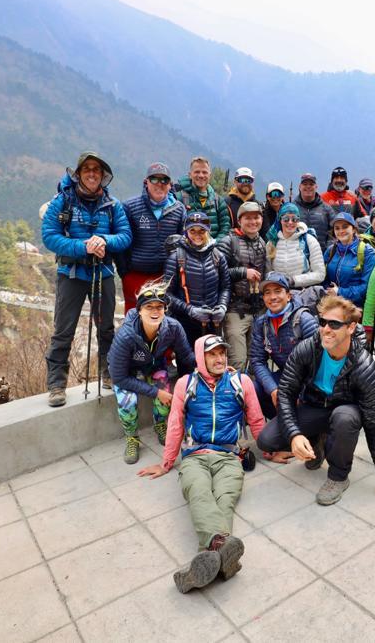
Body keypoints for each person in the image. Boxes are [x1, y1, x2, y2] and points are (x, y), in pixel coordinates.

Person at [137, 335, 265, 592]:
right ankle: (221, 554)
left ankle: (205, 559)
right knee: (198, 492)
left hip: (229, 456)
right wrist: (166, 463)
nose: (219, 359)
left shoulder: (242, 382)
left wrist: (271, 451)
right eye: (212, 354)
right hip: (195, 455)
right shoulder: (187, 384)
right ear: (200, 357)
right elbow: (175, 424)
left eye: (222, 353)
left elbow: (256, 419)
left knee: (225, 499)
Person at [256, 295, 375, 505]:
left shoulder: (363, 365)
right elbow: (286, 392)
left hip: (345, 410)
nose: (326, 329)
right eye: (323, 322)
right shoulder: (307, 348)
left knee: (344, 418)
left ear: (351, 328)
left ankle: (338, 477)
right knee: (267, 440)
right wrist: (295, 435)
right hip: (315, 406)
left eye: (334, 324)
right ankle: (316, 441)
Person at [42, 151, 131, 407]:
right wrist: (84, 246)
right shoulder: (62, 202)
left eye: (97, 170)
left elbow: (125, 236)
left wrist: (104, 240)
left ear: (103, 176)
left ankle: (108, 372)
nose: (92, 173)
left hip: (101, 273)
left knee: (106, 329)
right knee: (63, 330)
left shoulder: (113, 205)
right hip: (70, 274)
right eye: (87, 169)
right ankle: (57, 384)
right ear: (79, 174)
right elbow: (49, 236)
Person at [108, 281, 197, 462]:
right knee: (128, 401)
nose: (155, 311)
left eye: (159, 307)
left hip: (154, 365)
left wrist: (211, 366)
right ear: (140, 310)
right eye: (149, 307)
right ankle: (132, 437)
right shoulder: (126, 335)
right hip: (127, 372)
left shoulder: (172, 328)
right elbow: (118, 376)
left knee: (165, 391)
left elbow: (187, 356)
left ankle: (160, 425)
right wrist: (155, 392)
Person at [249, 272, 320, 424]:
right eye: (267, 293)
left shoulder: (304, 320)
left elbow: (317, 364)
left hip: (308, 380)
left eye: (278, 291)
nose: (272, 297)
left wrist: (299, 393)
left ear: (288, 296)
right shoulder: (262, 323)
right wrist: (272, 389)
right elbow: (257, 360)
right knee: (252, 389)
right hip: (284, 376)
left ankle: (309, 431)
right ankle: (281, 424)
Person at [119, 162, 187, 310]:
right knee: (134, 318)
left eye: (164, 180)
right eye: (154, 179)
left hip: (165, 277)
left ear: (170, 185)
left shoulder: (179, 210)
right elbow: (122, 242)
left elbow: (183, 244)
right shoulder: (130, 207)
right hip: (135, 275)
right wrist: (125, 273)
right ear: (146, 182)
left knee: (162, 319)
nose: (159, 184)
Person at [164, 212, 231, 347]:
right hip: (185, 323)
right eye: (192, 231)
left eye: (202, 231)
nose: (197, 235)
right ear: (186, 231)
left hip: (213, 321)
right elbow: (166, 294)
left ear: (208, 231)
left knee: (210, 362)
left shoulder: (218, 256)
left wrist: (222, 306)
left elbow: (226, 287)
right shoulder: (176, 257)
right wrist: (190, 310)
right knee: (188, 363)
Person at [220, 201, 268, 371]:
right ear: (239, 220)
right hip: (235, 309)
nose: (253, 222)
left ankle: (252, 395)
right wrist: (242, 272)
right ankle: (232, 395)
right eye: (248, 218)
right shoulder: (228, 242)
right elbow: (217, 272)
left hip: (258, 310)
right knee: (237, 361)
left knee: (256, 361)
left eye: (256, 217)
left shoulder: (261, 242)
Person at [324, 212, 375, 308]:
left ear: (354, 229)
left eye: (345, 227)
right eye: (337, 228)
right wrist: (327, 291)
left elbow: (368, 287)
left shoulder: (367, 253)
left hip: (356, 309)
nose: (341, 231)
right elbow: (324, 278)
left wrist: (339, 292)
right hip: (333, 306)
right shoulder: (331, 251)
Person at [266, 203, 325, 290]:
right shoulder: (272, 243)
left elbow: (320, 274)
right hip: (279, 294)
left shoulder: (309, 241)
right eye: (286, 219)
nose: (290, 222)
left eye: (294, 219)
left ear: (298, 221)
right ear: (280, 220)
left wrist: (293, 281)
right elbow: (268, 273)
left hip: (303, 294)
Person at [176, 156, 231, 242]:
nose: (201, 175)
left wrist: (214, 244)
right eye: (197, 172)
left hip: (213, 251)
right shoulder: (180, 198)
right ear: (190, 175)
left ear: (210, 175)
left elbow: (225, 227)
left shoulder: (218, 200)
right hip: (188, 252)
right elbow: (175, 227)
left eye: (204, 172)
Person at [293, 172, 334, 249]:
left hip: (321, 257)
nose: (308, 186)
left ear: (316, 187)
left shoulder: (327, 209)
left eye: (311, 184)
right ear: (300, 187)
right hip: (297, 256)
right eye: (305, 184)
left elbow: (334, 232)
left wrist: (329, 249)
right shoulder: (292, 208)